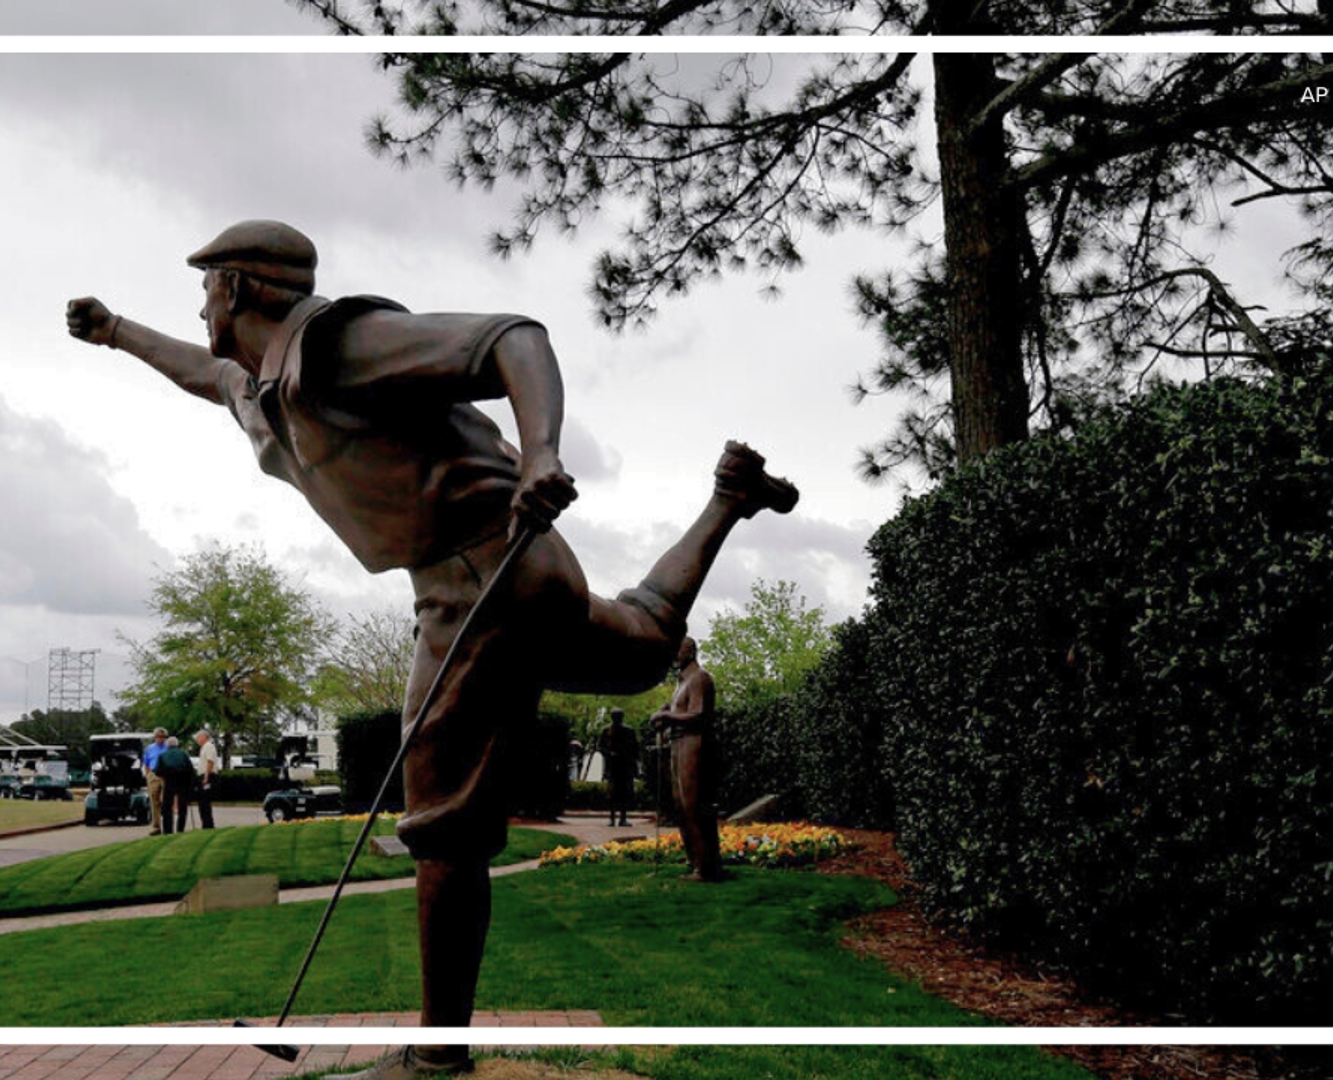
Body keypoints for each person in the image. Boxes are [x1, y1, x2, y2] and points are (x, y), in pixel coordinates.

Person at [68, 220, 795, 1079]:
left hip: (482, 571)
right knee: (638, 647)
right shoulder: (268, 387)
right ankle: (728, 500)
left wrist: (543, 456)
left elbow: (512, 340)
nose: (197, 304)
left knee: (443, 824)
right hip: (488, 576)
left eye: (206, 286)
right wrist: (117, 332)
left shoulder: (342, 346)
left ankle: (438, 1054)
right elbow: (208, 376)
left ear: (241, 287)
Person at [650, 638, 724, 882]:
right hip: (677, 743)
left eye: (678, 650)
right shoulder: (681, 683)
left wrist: (667, 715)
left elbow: (698, 714)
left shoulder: (699, 678)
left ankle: (705, 867)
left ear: (690, 652)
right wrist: (667, 713)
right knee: (681, 806)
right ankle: (695, 861)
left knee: (693, 805)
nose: (674, 655)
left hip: (693, 742)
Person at [597, 708, 641, 829]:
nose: (617, 718)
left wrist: (633, 764)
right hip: (613, 765)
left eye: (618, 716)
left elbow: (635, 749)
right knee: (612, 793)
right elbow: (600, 746)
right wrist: (609, 754)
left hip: (625, 766)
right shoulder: (606, 730)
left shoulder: (629, 730)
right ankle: (612, 818)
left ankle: (623, 818)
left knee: (624, 793)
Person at [154, 736, 195, 835]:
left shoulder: (162, 755)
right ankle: (180, 829)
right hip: (183, 782)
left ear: (168, 745)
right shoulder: (184, 754)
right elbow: (190, 769)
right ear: (177, 745)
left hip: (169, 781)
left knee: (167, 807)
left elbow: (157, 771)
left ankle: (168, 830)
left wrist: (165, 774)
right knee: (182, 806)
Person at [141, 727, 170, 836]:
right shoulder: (150, 748)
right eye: (158, 737)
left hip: (165, 775)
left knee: (166, 801)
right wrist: (148, 775)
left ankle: (168, 826)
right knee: (154, 802)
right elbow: (146, 764)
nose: (160, 739)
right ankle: (156, 827)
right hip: (153, 775)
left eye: (163, 737)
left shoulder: (168, 748)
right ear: (155, 737)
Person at [192, 729, 219, 830]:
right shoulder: (204, 748)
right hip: (204, 776)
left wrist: (206, 776)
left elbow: (210, 761)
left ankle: (208, 825)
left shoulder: (208, 746)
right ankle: (206, 824)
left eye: (198, 737)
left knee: (204, 801)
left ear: (204, 737)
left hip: (207, 776)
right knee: (202, 802)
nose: (197, 740)